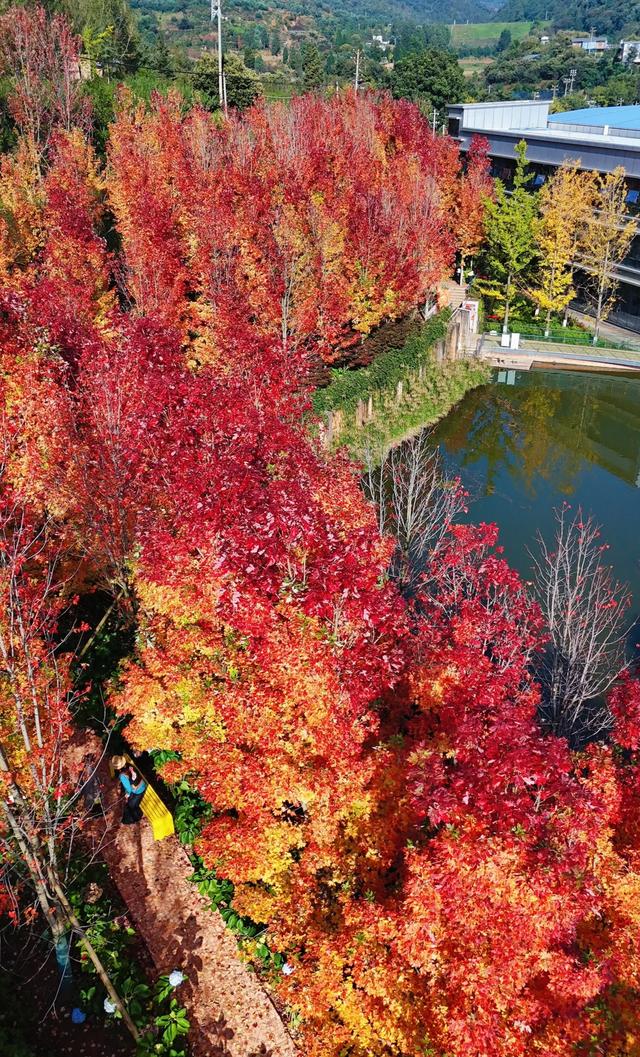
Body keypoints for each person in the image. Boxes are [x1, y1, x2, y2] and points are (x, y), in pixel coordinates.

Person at [111, 755, 147, 825]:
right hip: (142, 783)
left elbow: (129, 789)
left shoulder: (122, 776)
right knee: (130, 803)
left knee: (130, 805)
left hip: (138, 790)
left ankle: (136, 817)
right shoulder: (129, 765)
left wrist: (127, 794)